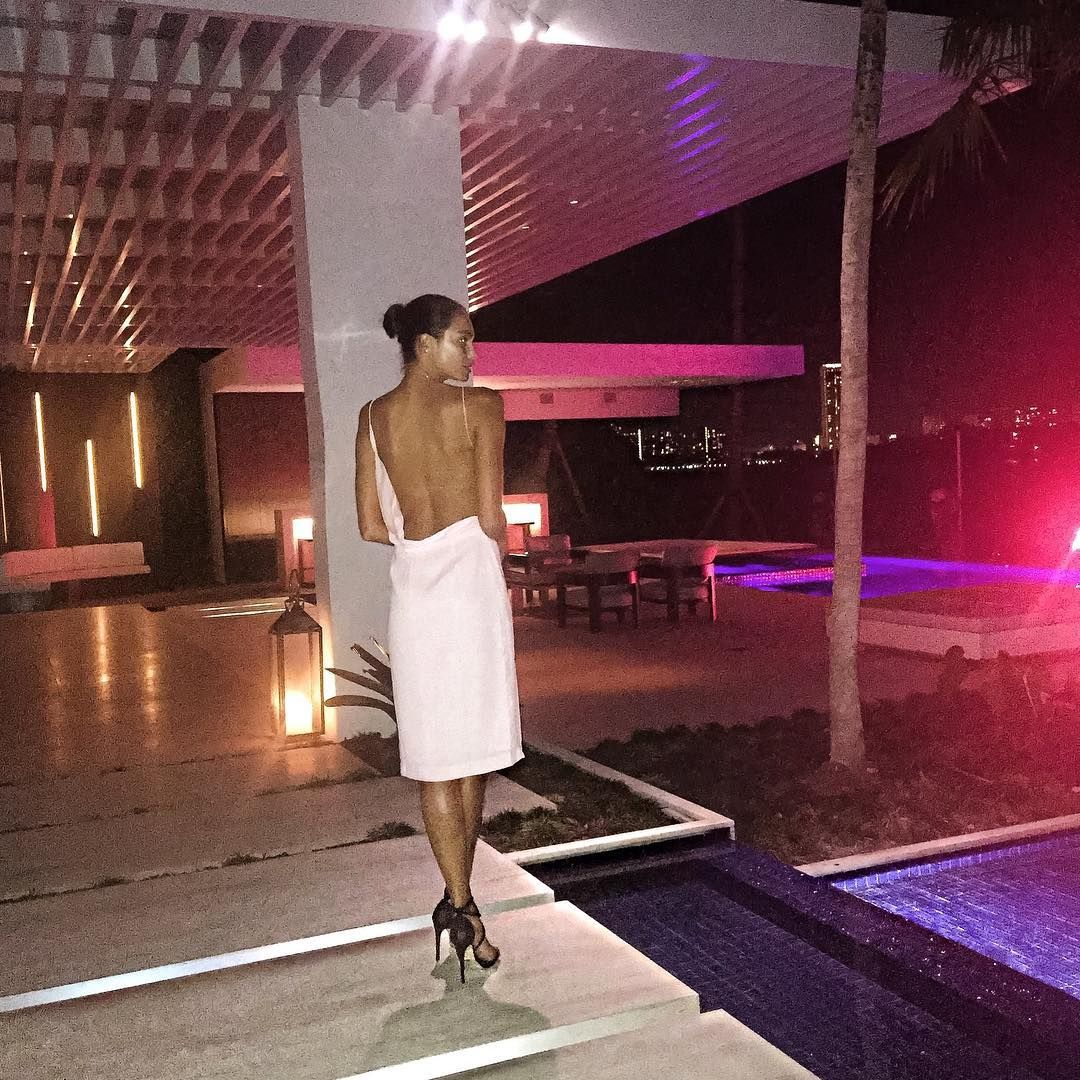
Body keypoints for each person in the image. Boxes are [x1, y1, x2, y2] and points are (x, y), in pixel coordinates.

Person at [354, 293, 523, 983]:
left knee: (436, 759)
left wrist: (417, 541)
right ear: (425, 345)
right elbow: (491, 516)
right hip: (470, 589)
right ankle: (460, 903)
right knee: (472, 752)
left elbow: (370, 525)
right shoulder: (481, 407)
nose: (473, 353)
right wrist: (493, 557)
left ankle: (460, 903)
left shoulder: (372, 417)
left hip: (417, 595)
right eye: (463, 339)